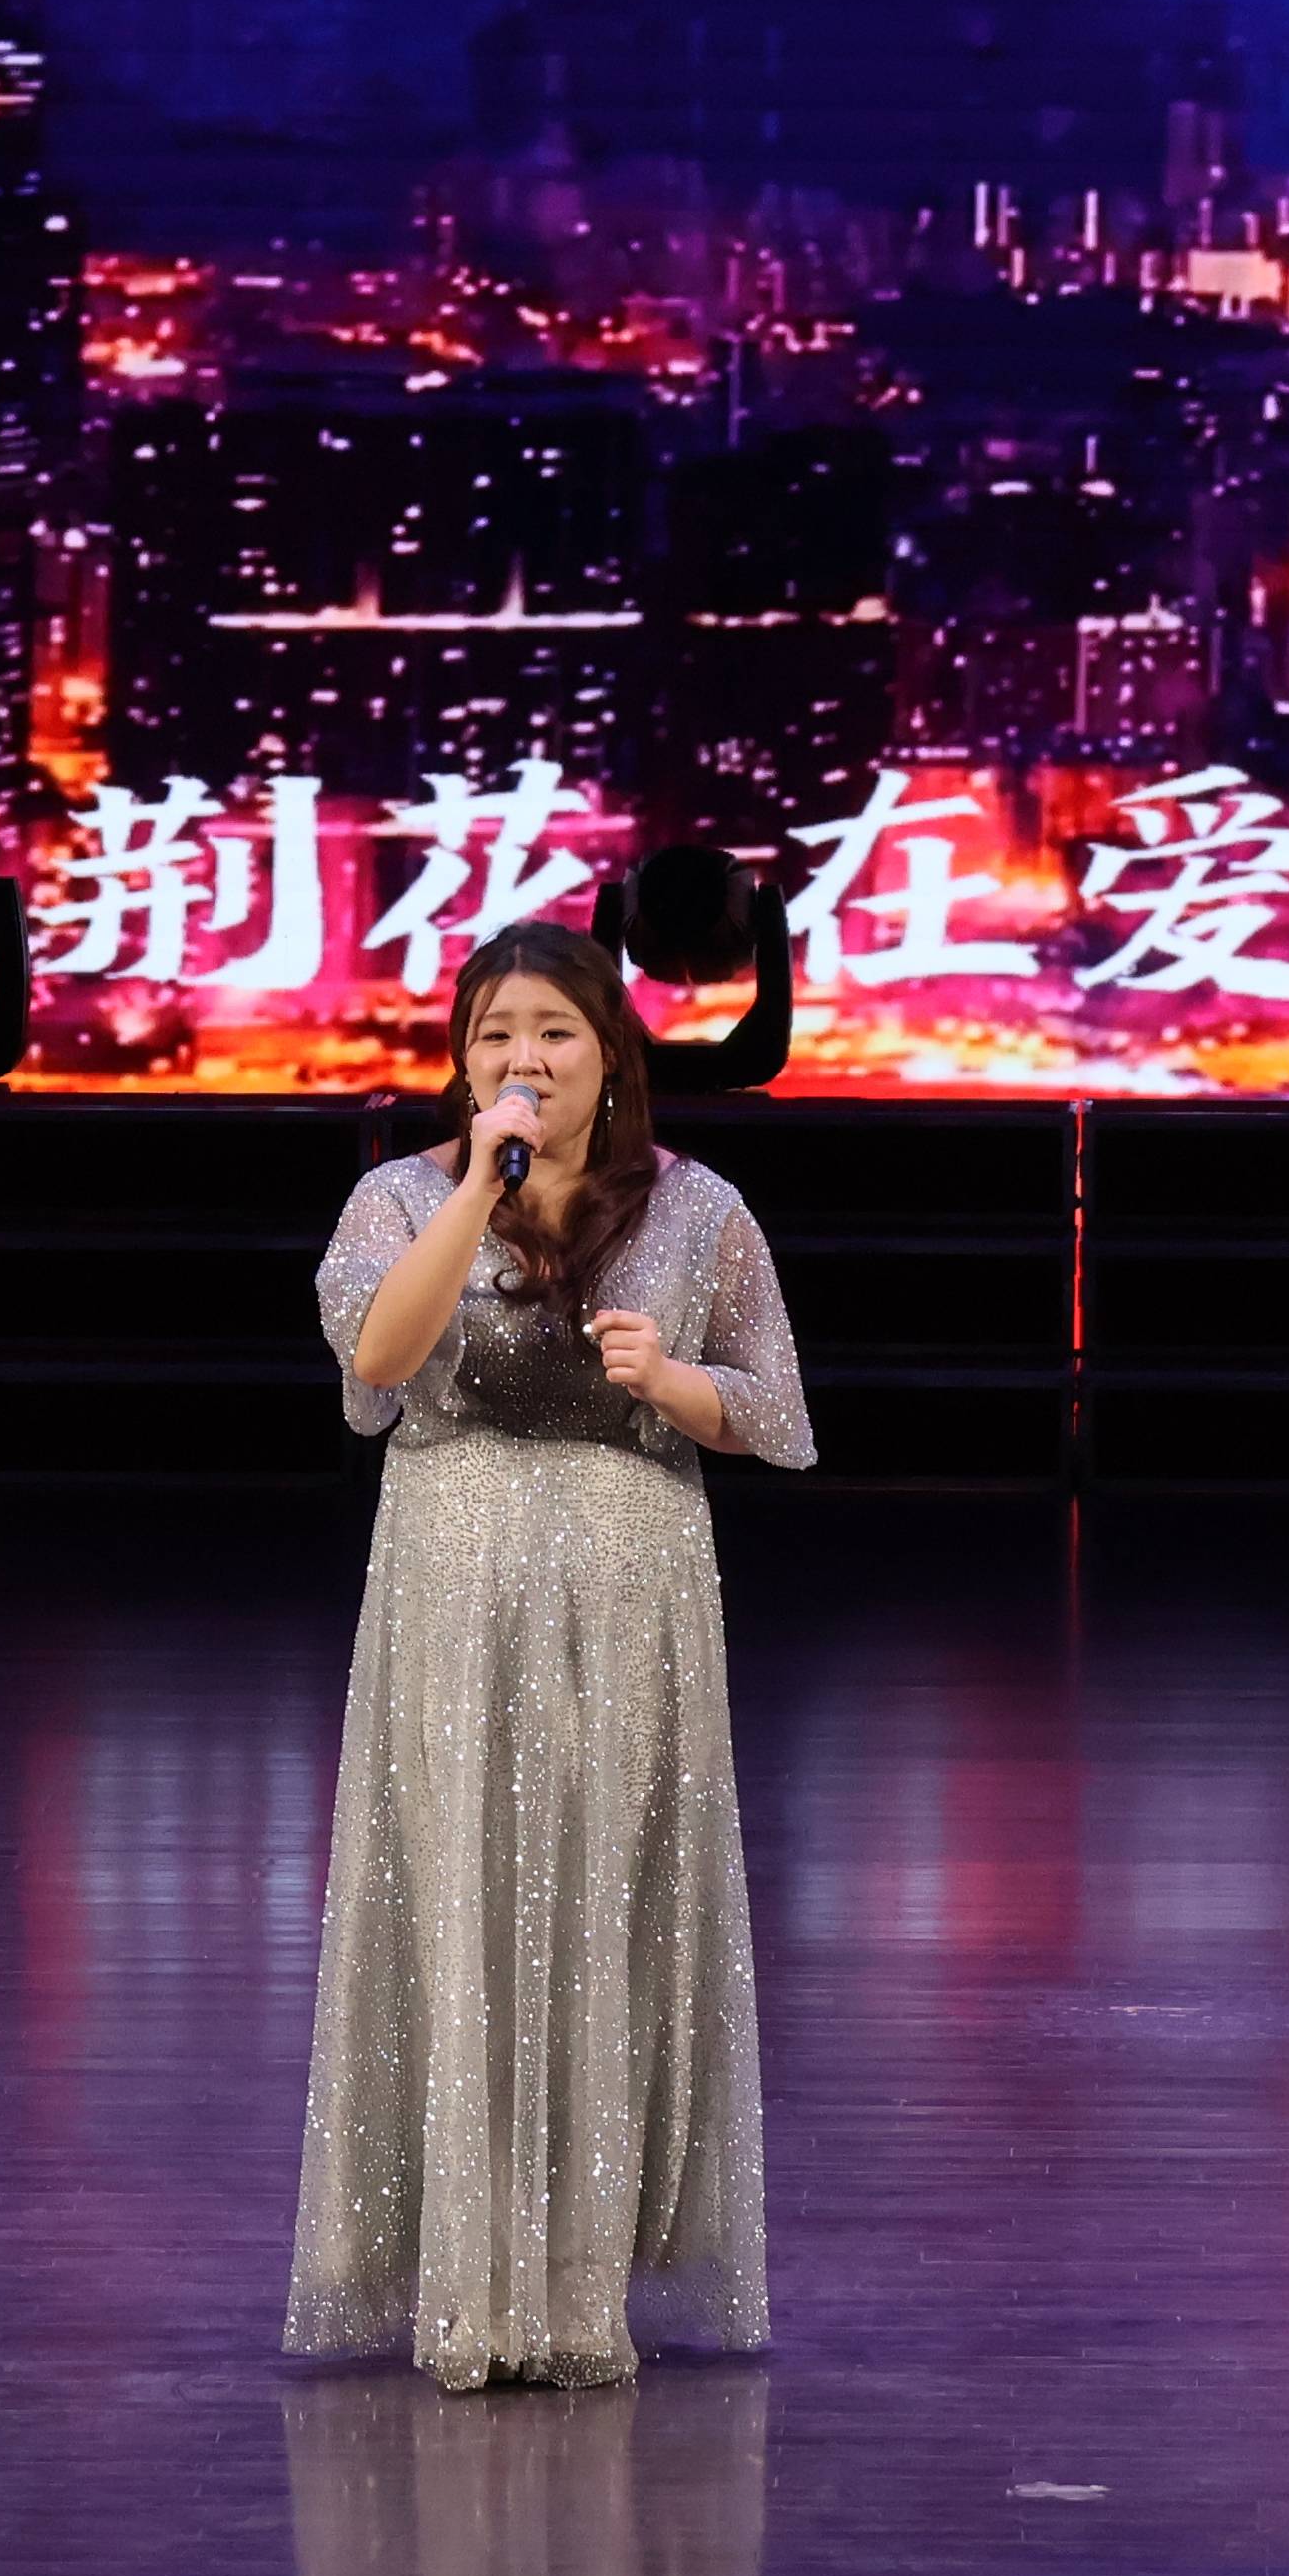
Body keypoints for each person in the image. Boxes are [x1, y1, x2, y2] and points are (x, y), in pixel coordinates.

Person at [290, 920, 816, 2391]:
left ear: (611, 1057)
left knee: (607, 1901)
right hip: (453, 1580)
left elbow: (778, 1411)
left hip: (630, 1585)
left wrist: (683, 1383)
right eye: (495, 1036)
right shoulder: (404, 1198)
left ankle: (584, 2281)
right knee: (456, 1892)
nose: (523, 1058)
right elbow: (377, 1361)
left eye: (554, 1032)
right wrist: (479, 1187)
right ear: (464, 1064)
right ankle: (461, 2276)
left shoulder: (700, 1210)